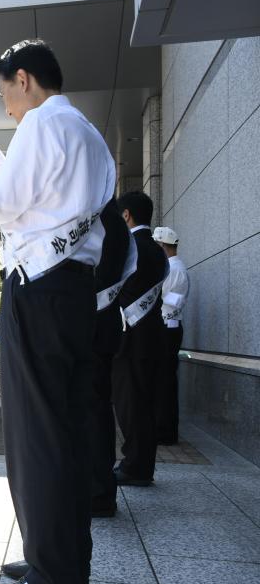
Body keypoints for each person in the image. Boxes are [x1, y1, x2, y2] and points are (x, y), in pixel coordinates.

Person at [0, 38, 115, 584]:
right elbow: (38, 202)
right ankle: (59, 557)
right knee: (64, 427)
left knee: (36, 433)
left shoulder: (41, 123)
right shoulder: (87, 133)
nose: (8, 108)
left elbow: (5, 206)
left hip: (36, 291)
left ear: (26, 79)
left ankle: (52, 574)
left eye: (7, 92)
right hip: (71, 290)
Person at [112, 192, 168, 486]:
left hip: (130, 339)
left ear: (126, 215)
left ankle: (135, 468)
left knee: (130, 405)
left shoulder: (129, 246)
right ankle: (141, 465)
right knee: (145, 404)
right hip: (153, 336)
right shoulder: (158, 250)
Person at [89, 205, 137, 518]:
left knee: (87, 415)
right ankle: (101, 491)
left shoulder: (91, 221)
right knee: (100, 412)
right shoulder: (118, 228)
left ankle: (94, 493)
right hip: (106, 330)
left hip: (87, 331)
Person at [152, 226, 188, 445]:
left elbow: (169, 300)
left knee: (165, 381)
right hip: (167, 328)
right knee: (163, 380)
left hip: (168, 328)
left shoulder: (174, 269)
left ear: (162, 246)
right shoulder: (172, 267)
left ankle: (165, 432)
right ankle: (163, 429)